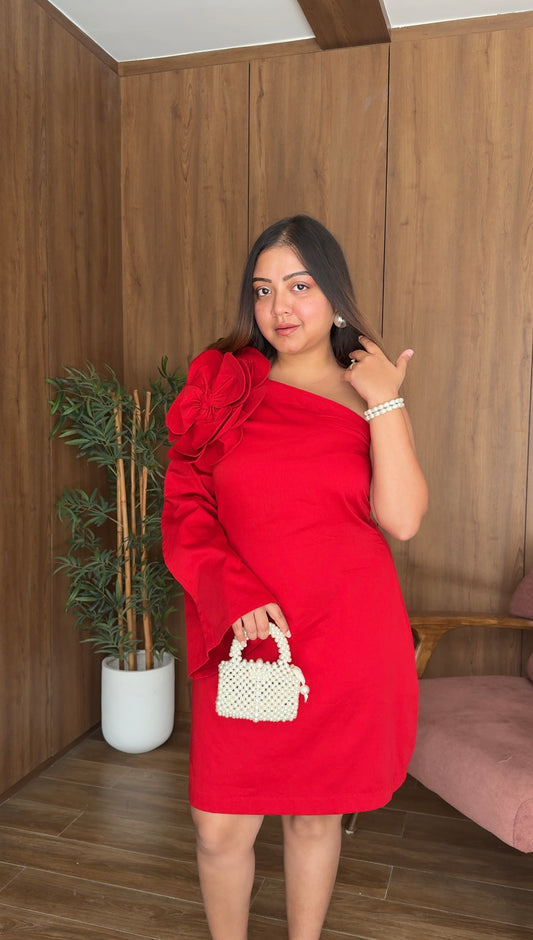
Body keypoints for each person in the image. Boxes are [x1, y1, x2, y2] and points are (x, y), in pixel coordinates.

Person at [161, 215, 428, 940]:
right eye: (263, 290)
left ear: (333, 292)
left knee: (314, 818)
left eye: (299, 286)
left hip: (344, 633)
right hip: (247, 633)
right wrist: (235, 594)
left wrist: (386, 400)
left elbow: (402, 519)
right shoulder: (224, 382)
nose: (279, 307)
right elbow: (186, 508)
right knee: (219, 828)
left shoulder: (368, 389)